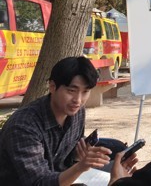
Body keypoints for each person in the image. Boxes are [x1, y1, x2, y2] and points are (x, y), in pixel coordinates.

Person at [0, 56, 112, 185]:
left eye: (85, 92)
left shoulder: (77, 112)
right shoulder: (24, 126)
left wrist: (77, 155)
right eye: (71, 91)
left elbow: (66, 160)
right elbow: (39, 182)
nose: (78, 100)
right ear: (52, 87)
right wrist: (80, 167)